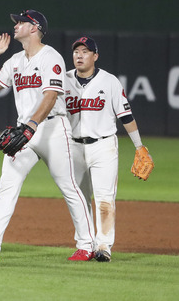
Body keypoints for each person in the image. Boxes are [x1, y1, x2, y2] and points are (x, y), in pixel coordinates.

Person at [0, 9, 95, 261]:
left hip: (52, 128)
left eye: (21, 22)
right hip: (25, 130)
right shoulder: (14, 61)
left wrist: (31, 126)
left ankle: (87, 244)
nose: (16, 25)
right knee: (7, 185)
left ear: (34, 28)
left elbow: (51, 95)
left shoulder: (50, 56)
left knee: (68, 186)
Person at [65, 36, 152, 262]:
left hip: (103, 146)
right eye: (76, 51)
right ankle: (84, 245)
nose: (80, 55)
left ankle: (103, 246)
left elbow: (126, 116)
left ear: (95, 56)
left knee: (104, 199)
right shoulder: (63, 80)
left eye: (85, 51)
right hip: (73, 147)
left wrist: (139, 146)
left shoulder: (109, 81)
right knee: (79, 200)